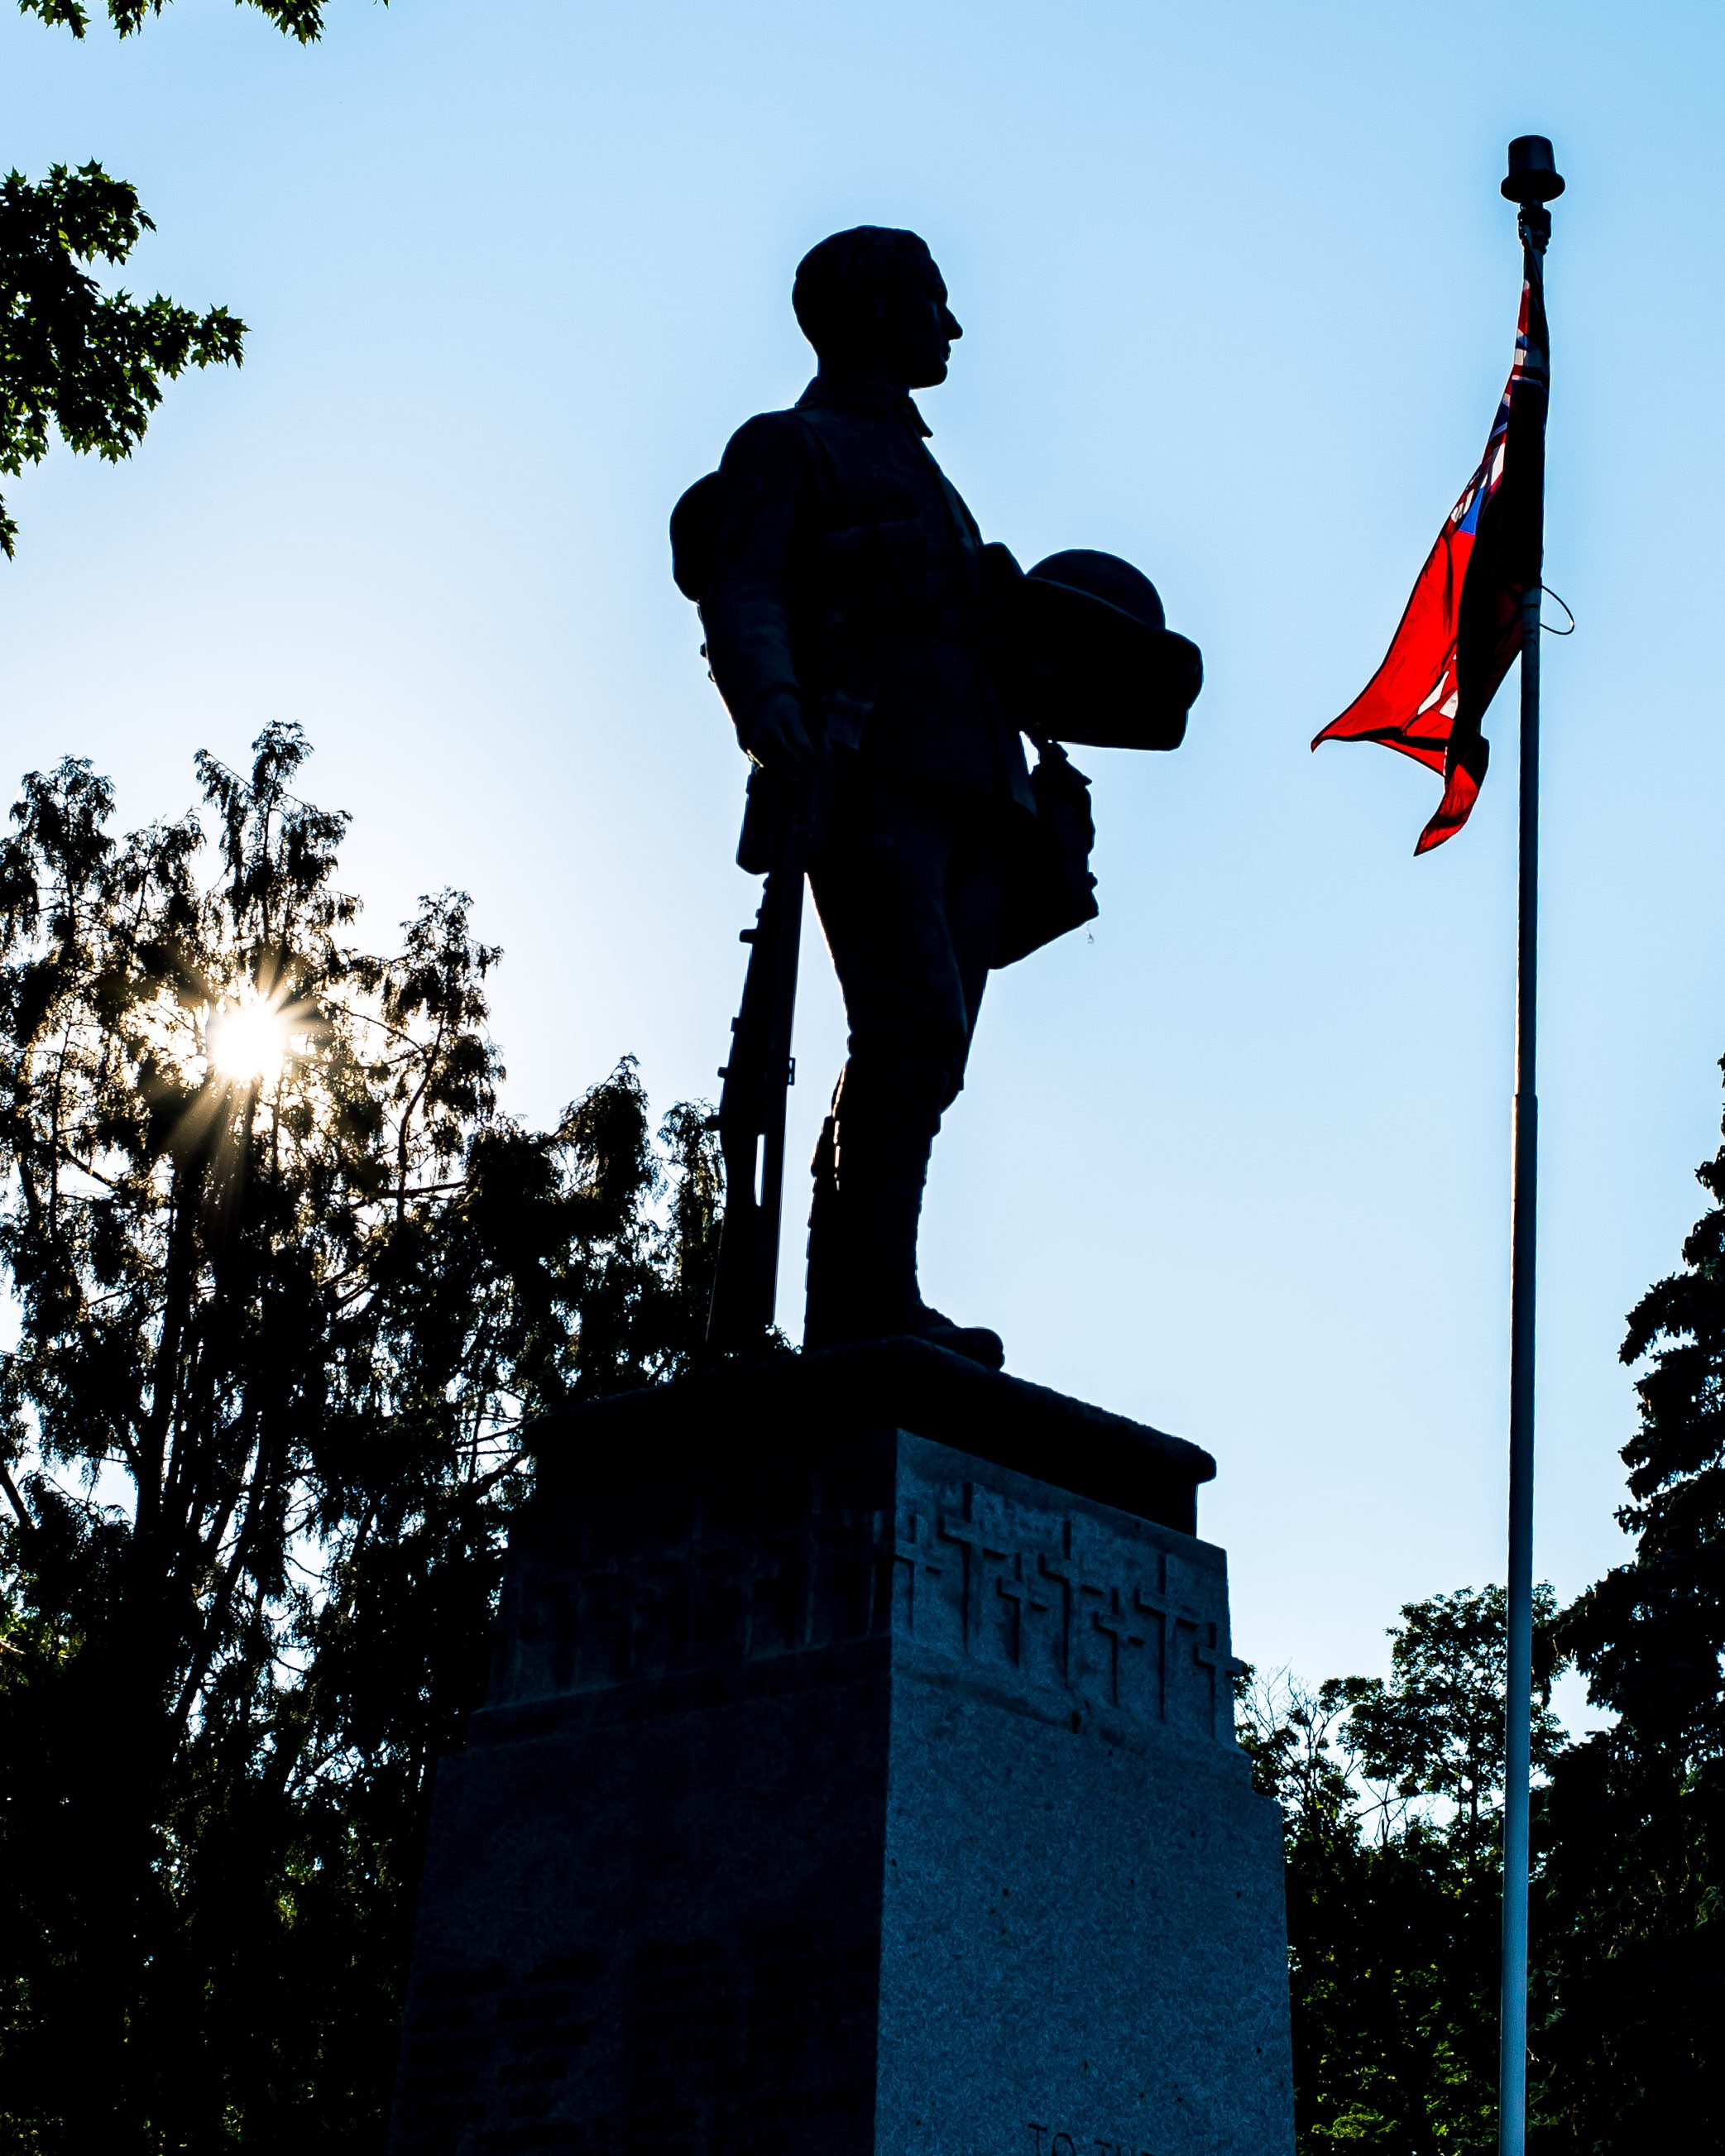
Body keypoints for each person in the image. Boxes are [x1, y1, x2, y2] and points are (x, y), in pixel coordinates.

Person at [699, 226, 1024, 1367]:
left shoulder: (927, 475)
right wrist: (771, 702)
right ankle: (868, 1299)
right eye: (933, 301)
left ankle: (858, 1297)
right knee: (913, 1024)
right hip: (871, 767)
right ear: (877, 310)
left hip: (974, 783)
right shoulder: (792, 447)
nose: (951, 326)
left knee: (927, 1053)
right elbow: (744, 591)